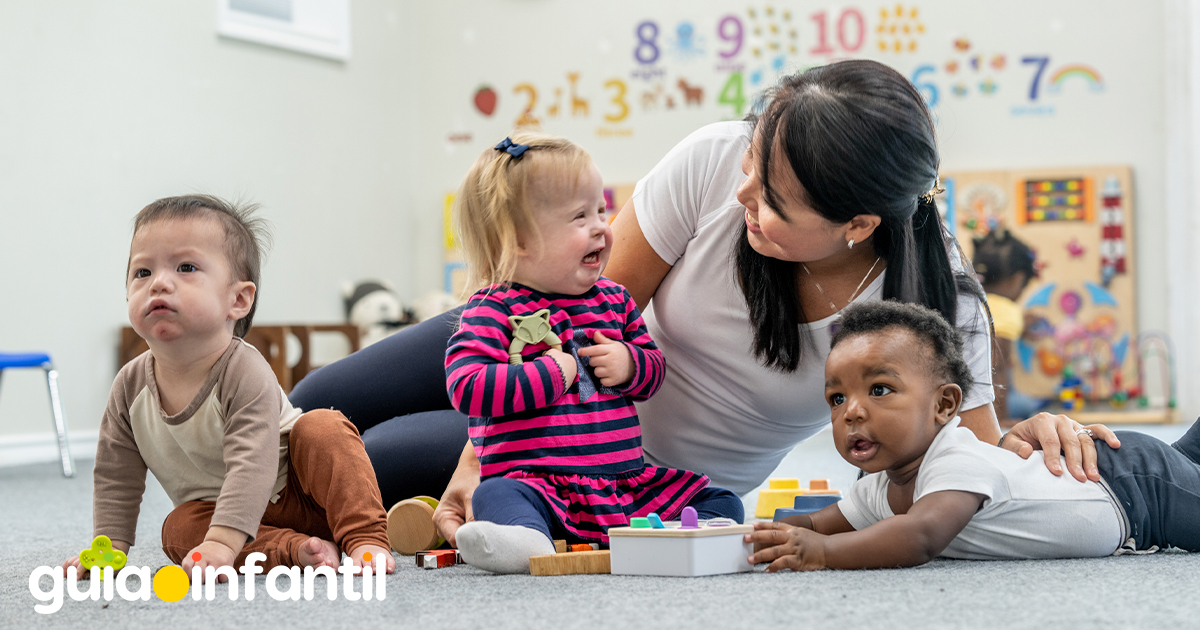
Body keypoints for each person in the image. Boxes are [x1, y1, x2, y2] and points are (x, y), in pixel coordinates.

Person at [288, 60, 1114, 547]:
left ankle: (260, 519)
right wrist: (481, 449)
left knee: (371, 461)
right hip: (540, 341)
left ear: (858, 225)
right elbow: (599, 298)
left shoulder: (937, 304)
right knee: (313, 406)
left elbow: (955, 470)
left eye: (774, 202)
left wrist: (1026, 434)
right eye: (753, 163)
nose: (743, 194)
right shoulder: (714, 161)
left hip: (619, 470)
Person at [439, 134, 742, 574]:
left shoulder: (614, 300)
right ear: (521, 241)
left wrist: (629, 362)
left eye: (601, 209)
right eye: (580, 217)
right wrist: (550, 373)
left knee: (720, 498)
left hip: (623, 483)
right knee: (495, 494)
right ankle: (525, 539)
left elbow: (654, 370)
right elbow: (468, 387)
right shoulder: (493, 309)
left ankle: (691, 534)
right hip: (537, 484)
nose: (603, 225)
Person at [60, 195, 394, 579]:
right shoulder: (129, 387)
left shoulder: (244, 369)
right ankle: (296, 550)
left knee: (323, 427)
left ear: (238, 299)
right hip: (222, 513)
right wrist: (109, 548)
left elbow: (252, 463)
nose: (159, 284)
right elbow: (115, 474)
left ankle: (364, 537)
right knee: (178, 527)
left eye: (185, 267)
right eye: (142, 273)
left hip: (305, 495)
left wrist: (221, 542)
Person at [746, 300, 1197, 571]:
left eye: (879, 390)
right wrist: (762, 535)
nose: (852, 412)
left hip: (1136, 486)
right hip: (1130, 488)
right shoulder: (879, 489)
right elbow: (818, 523)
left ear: (944, 405)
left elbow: (921, 536)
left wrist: (822, 553)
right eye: (837, 398)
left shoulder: (958, 461)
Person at [972, 230, 1048, 420]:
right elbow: (994, 369)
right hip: (983, 406)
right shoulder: (1008, 310)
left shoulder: (972, 300)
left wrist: (1021, 324)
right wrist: (1002, 424)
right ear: (1018, 279)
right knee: (1030, 407)